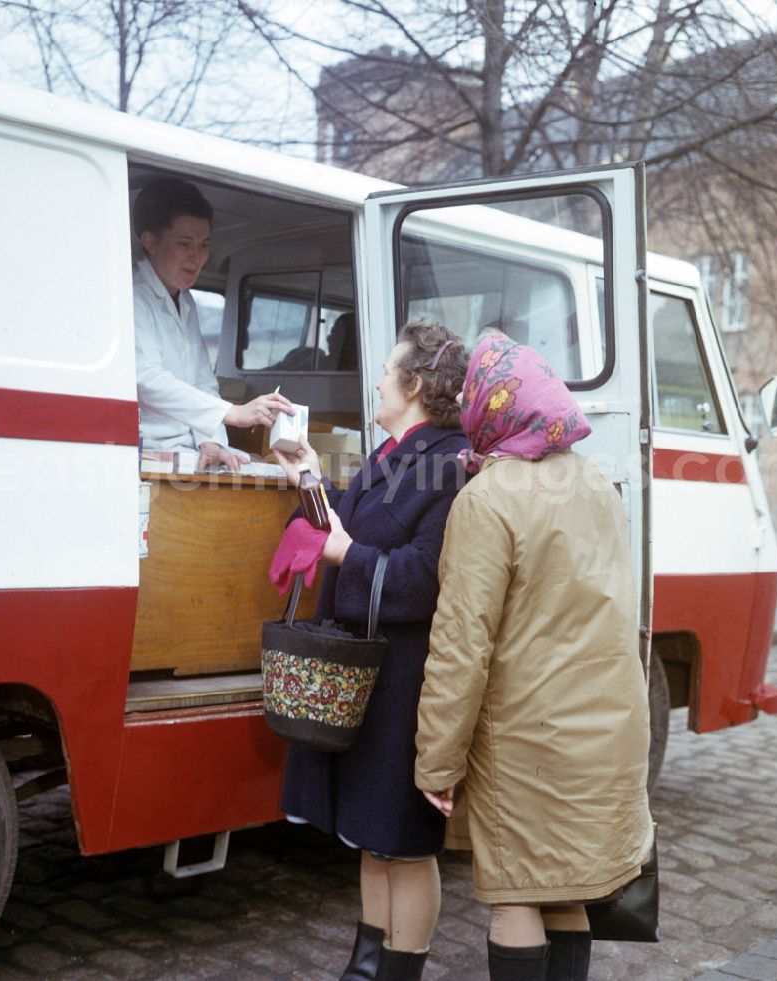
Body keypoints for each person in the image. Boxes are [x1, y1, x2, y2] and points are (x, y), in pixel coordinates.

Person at [414, 332, 653, 981]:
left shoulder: (487, 499)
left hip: (528, 740)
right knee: (567, 886)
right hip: (606, 730)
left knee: (516, 891)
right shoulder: (599, 484)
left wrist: (437, 759)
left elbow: (461, 643)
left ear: (492, 409)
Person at [272, 320, 469, 981]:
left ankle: (397, 972)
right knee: (370, 833)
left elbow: (424, 576)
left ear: (413, 384)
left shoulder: (449, 462)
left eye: (388, 369)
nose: (378, 379)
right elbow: (345, 529)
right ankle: (365, 967)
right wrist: (307, 475)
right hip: (369, 675)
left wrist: (347, 553)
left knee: (405, 843)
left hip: (407, 683)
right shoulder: (391, 453)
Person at [132, 177, 293, 471]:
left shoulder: (186, 300)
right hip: (149, 453)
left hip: (188, 450)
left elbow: (202, 381)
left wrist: (211, 441)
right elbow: (146, 380)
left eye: (204, 245)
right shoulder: (132, 296)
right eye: (185, 244)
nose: (197, 257)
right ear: (150, 241)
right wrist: (231, 412)